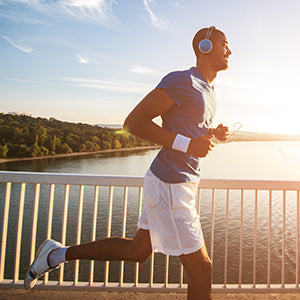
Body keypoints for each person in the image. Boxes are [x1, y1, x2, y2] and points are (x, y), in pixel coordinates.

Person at [24, 26, 231, 300]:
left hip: (178, 182)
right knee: (202, 269)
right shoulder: (182, 81)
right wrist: (187, 144)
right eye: (224, 44)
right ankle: (56, 254)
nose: (229, 51)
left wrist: (211, 134)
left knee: (138, 251)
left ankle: (56, 254)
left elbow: (189, 133)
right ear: (204, 47)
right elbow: (133, 123)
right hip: (171, 184)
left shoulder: (209, 90)